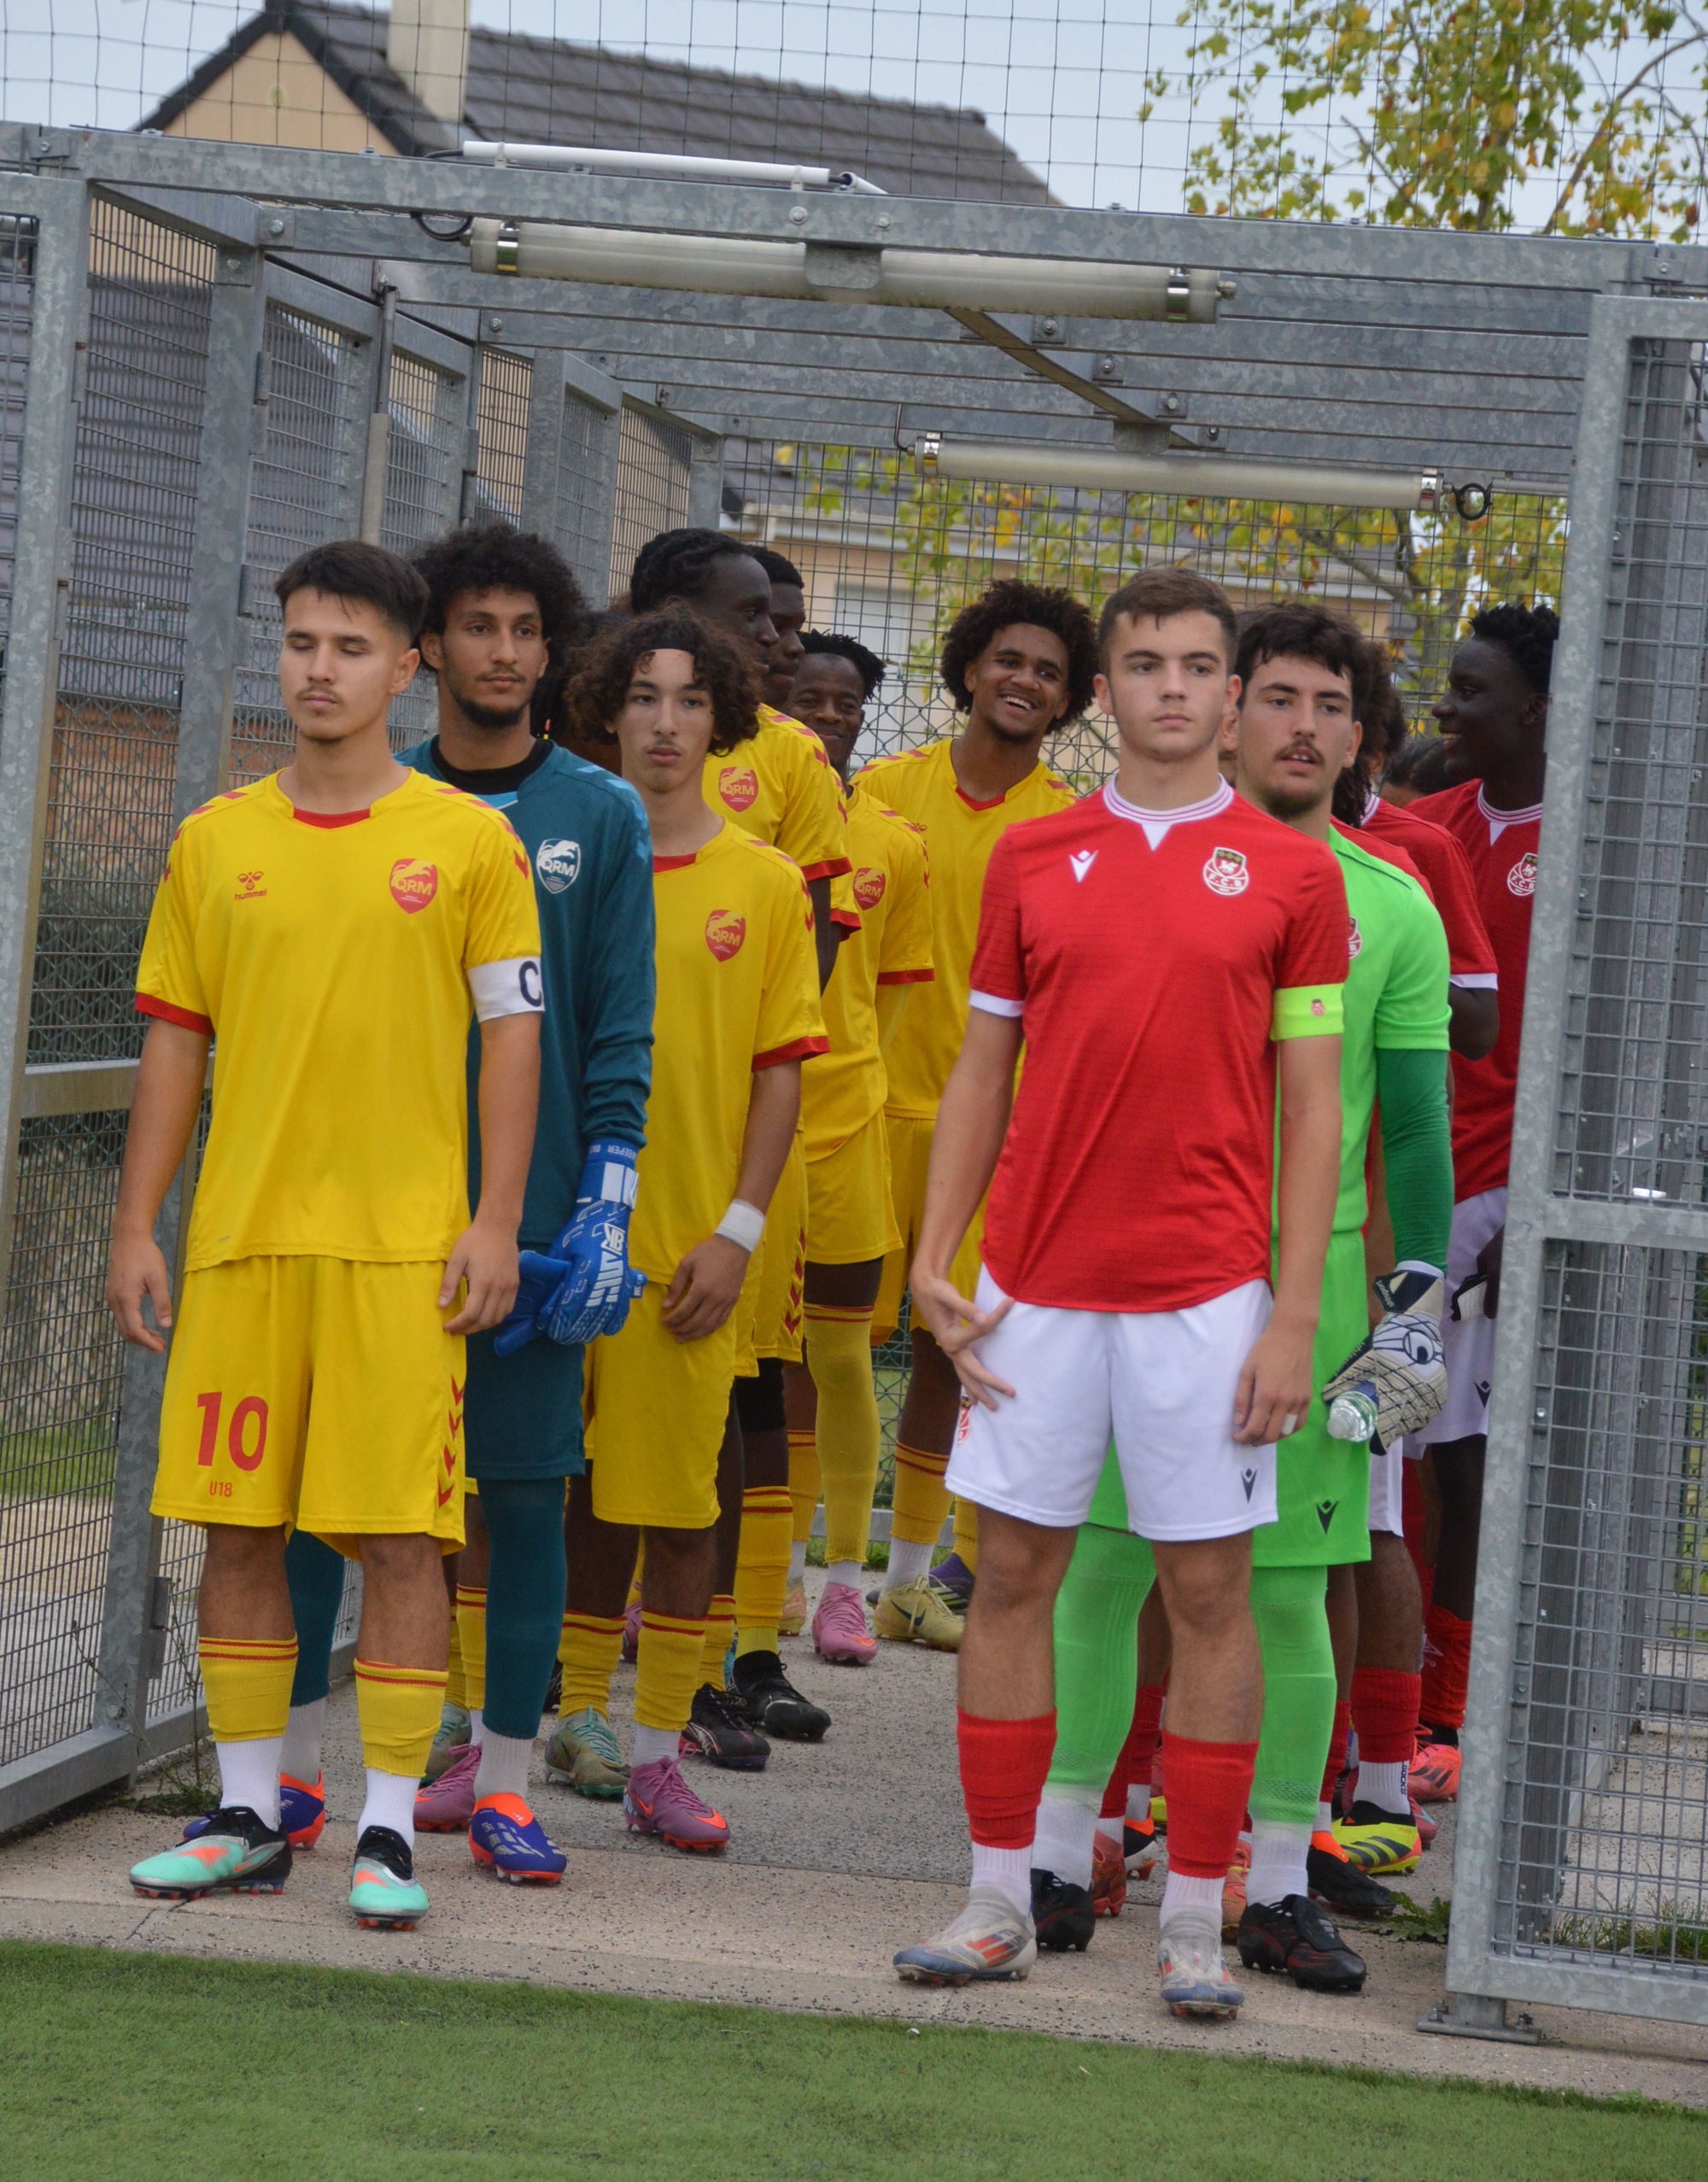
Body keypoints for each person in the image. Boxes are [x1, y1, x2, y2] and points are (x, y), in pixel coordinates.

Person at [892, 566, 1348, 2020]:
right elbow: (981, 1069)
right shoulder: (1035, 857)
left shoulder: (1294, 874)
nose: (1172, 688)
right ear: (1105, 692)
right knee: (1011, 1579)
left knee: (1208, 1595)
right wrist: (937, 1254)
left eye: (1199, 666)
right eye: (1144, 664)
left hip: (1207, 1294)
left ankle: (1197, 1921)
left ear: (1232, 692)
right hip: (1032, 1287)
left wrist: (1292, 1314)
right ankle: (997, 1898)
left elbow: (1315, 1109)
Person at [112, 541, 542, 1930]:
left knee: (402, 1538)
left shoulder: (469, 841)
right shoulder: (214, 838)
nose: (319, 668)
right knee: (237, 1529)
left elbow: (513, 1037)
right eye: (302, 641)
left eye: (351, 647)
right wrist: (138, 1225)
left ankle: (387, 1828)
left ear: (406, 666)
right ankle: (250, 1813)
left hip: (402, 1256)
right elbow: (175, 1042)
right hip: (243, 1245)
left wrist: (494, 1220)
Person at [279, 520, 654, 1869]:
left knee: (524, 1492)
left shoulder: (600, 812)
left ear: (553, 650)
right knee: (319, 1498)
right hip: (361, 1212)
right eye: (477, 627)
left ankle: (502, 1785)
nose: (503, 651)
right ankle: (293, 1778)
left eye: (525, 630)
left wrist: (608, 1193)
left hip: (526, 1217)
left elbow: (619, 1022)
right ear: (427, 647)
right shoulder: (371, 799)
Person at [553, 608, 827, 1852]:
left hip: (687, 1246)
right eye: (642, 697)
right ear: (605, 710)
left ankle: (659, 1753)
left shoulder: (763, 882)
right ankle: (549, 1718)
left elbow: (779, 1071)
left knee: (674, 1503)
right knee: (541, 1486)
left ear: (722, 720)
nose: (664, 723)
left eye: (689, 699)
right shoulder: (551, 857)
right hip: (554, 1233)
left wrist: (737, 1229)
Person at [626, 529, 851, 1748]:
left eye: (780, 618)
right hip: (611, 1167)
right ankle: (550, 1681)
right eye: (753, 616)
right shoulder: (594, 762)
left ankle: (734, 1653)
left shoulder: (787, 765)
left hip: (734, 1153)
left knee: (740, 1390)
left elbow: (798, 966)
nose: (779, 638)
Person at [856, 580, 1097, 1650]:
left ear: (1066, 700)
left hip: (995, 1133)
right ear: (967, 667)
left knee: (954, 1352)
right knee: (828, 1351)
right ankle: (808, 1584)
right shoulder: (879, 790)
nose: (1023, 680)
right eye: (1008, 659)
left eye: (1047, 671)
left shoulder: (1072, 827)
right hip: (869, 1110)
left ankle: (917, 1580)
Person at [1403, 604, 1554, 1803]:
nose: (1444, 706)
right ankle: (1379, 1699)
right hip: (1404, 1175)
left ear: (1538, 710)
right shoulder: (1429, 826)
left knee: (1462, 1455)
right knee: (1383, 1445)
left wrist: (1531, 1211)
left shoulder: (1587, 842)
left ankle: (1443, 1711)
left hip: (1499, 1186)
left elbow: (1600, 1045)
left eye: (1470, 689)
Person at [780, 634, 934, 1664]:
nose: (830, 717)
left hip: (845, 1123)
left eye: (847, 703)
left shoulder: (894, 843)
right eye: (811, 699)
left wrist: (846, 1075)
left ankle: (844, 1580)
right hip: (739, 1123)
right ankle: (769, 1574)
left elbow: (883, 998)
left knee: (839, 1355)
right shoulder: (737, 813)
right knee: (747, 1364)